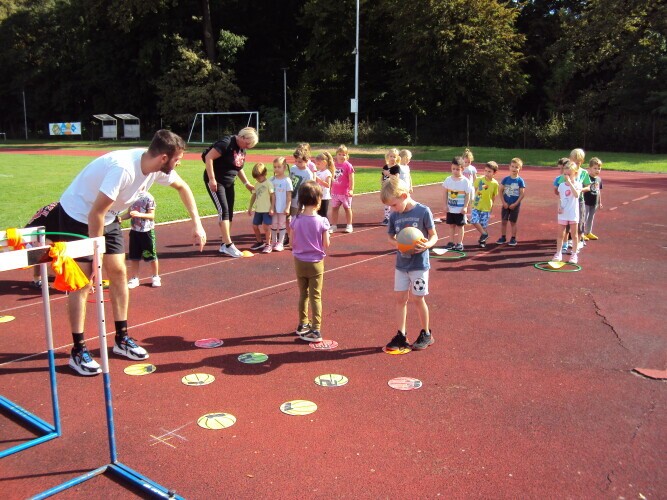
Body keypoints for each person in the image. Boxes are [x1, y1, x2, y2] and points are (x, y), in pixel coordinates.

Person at [56, 129, 207, 376]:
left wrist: (197, 225)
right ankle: (78, 349)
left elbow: (183, 188)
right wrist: (96, 258)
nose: (179, 163)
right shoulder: (124, 169)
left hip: (108, 216)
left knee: (118, 273)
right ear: (163, 158)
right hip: (78, 215)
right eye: (177, 159)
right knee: (83, 282)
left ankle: (121, 338)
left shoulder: (156, 167)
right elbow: (95, 213)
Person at [381, 178, 438, 351]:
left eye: (394, 204)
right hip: (401, 265)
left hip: (419, 265)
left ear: (404, 196)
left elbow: (434, 235)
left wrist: (427, 245)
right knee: (400, 299)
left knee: (418, 298)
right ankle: (401, 334)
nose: (392, 209)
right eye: (390, 206)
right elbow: (390, 237)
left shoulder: (423, 211)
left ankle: (426, 333)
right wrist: (397, 244)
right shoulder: (394, 215)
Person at [202, 127, 259, 258]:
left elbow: (238, 167)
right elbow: (209, 157)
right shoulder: (226, 143)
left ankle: (224, 243)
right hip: (217, 181)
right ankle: (228, 245)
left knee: (229, 212)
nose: (248, 147)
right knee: (223, 210)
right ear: (243, 137)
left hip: (229, 182)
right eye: (247, 144)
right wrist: (212, 179)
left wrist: (246, 183)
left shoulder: (241, 149)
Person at [290, 181, 331, 343]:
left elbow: (291, 242)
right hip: (316, 262)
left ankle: (302, 324)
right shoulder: (322, 221)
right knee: (316, 296)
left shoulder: (295, 219)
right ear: (318, 200)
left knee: (303, 294)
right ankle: (316, 329)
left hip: (299, 261)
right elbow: (326, 244)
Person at [123, 188, 161, 289]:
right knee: (134, 256)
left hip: (147, 232)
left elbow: (152, 215)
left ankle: (155, 277)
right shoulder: (131, 196)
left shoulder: (148, 198)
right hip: (134, 231)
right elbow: (129, 213)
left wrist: (139, 214)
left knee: (151, 255)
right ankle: (134, 278)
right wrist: (120, 218)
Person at [25, 201, 61, 288]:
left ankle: (51, 273)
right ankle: (37, 279)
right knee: (45, 248)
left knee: (55, 245)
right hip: (30, 238)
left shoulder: (59, 205)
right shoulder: (63, 210)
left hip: (31, 234)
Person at [553, 160, 582, 264]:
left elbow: (576, 195)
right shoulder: (561, 185)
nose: (566, 177)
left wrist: (570, 183)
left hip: (573, 213)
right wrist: (559, 207)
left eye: (569, 174)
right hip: (563, 213)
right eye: (565, 174)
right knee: (560, 234)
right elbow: (560, 198)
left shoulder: (578, 184)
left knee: (574, 235)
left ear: (575, 173)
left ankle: (574, 254)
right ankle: (558, 253)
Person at [442, 156, 473, 251]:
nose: (455, 171)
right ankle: (451, 242)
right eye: (453, 169)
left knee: (460, 226)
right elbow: (445, 193)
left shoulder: (465, 181)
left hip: (460, 209)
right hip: (450, 208)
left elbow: (467, 195)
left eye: (457, 169)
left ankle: (459, 243)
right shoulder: (448, 180)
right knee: (451, 225)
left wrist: (465, 206)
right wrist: (445, 205)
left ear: (462, 169)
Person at [496, 157, 526, 246]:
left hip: (514, 205)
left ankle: (513, 238)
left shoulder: (520, 181)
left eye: (516, 167)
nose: (514, 169)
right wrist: (503, 202)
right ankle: (503, 237)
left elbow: (522, 194)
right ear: (509, 167)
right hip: (506, 204)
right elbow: (500, 191)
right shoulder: (505, 179)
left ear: (520, 168)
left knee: (513, 222)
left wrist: (515, 204)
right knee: (504, 221)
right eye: (512, 166)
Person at [288, 148, 316, 245]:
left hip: (299, 200)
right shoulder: (293, 168)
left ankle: (299, 238)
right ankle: (289, 236)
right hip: (290, 198)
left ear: (306, 161)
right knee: (289, 219)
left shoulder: (308, 173)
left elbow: (309, 188)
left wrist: (305, 201)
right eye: (295, 161)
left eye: (299, 162)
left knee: (297, 219)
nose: (297, 163)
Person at [247, 162, 275, 253]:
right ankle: (260, 242)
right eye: (256, 178)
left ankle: (268, 244)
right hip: (258, 210)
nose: (258, 179)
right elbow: (254, 195)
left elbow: (273, 196)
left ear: (264, 174)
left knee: (266, 227)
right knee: (255, 226)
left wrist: (272, 208)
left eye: (259, 177)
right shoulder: (257, 184)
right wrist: (250, 207)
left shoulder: (268, 183)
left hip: (266, 210)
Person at [471, 161, 500, 248]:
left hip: (486, 206)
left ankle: (482, 240)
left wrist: (491, 206)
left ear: (494, 173)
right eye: (485, 171)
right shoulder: (479, 179)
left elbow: (493, 196)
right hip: (476, 204)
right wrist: (473, 200)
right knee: (474, 220)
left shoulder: (495, 184)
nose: (487, 173)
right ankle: (484, 234)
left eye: (489, 171)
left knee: (483, 225)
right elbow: (475, 189)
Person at [329, 144, 355, 233]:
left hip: (345, 192)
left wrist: (351, 189)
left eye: (344, 154)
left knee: (347, 208)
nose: (341, 156)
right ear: (336, 155)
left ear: (347, 156)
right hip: (335, 192)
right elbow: (331, 177)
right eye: (339, 154)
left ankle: (349, 225)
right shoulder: (334, 165)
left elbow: (351, 179)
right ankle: (333, 225)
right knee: (334, 208)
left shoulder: (348, 166)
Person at [269, 157, 292, 252]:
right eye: (275, 167)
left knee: (282, 224)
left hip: (282, 207)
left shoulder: (287, 180)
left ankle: (281, 243)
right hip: (273, 207)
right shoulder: (271, 180)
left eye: (279, 167)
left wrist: (287, 207)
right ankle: (273, 242)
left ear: (284, 167)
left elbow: (289, 196)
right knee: (273, 224)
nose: (276, 169)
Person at [553, 158, 572, 255]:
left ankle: (568, 240)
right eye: (559, 168)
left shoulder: (572, 178)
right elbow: (556, 192)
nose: (560, 171)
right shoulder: (558, 179)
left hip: (571, 205)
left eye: (562, 168)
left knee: (570, 225)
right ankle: (564, 242)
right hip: (562, 203)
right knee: (563, 225)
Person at [583, 157, 603, 240]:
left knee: (591, 218)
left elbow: (598, 191)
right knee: (584, 218)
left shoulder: (599, 179)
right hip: (586, 202)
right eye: (595, 168)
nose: (597, 170)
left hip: (594, 202)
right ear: (589, 168)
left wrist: (599, 202)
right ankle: (581, 233)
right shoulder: (586, 178)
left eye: (599, 168)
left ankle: (588, 232)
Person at [381, 148, 400, 225]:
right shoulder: (385, 166)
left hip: (392, 187)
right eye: (391, 156)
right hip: (385, 187)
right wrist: (382, 183)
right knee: (386, 203)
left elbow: (396, 178)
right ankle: (387, 218)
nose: (392, 158)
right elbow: (382, 176)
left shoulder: (396, 167)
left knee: (394, 202)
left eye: (394, 157)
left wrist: (388, 174)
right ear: (388, 157)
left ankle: (397, 217)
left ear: (397, 158)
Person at [314, 151, 334, 220]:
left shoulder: (327, 172)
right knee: (317, 214)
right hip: (318, 196)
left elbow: (328, 185)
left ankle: (326, 225)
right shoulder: (318, 172)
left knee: (323, 214)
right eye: (316, 163)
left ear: (324, 163)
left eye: (318, 164)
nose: (317, 165)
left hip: (324, 197)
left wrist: (319, 180)